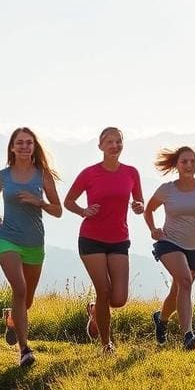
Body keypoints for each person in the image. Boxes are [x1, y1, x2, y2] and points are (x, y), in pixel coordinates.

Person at [64, 127, 144, 352]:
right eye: (109, 142)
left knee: (118, 299)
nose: (114, 146)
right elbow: (68, 201)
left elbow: (139, 202)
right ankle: (106, 344)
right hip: (91, 238)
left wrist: (139, 207)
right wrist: (83, 211)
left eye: (118, 141)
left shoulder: (131, 173)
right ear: (100, 146)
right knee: (104, 292)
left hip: (119, 238)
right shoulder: (90, 173)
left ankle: (95, 311)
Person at [0, 127, 62, 367]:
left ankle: (11, 318)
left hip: (34, 243)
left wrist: (38, 201)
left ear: (34, 147)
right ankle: (25, 350)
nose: (24, 147)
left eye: (29, 143)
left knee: (26, 300)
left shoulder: (43, 175)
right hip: (7, 239)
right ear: (12, 147)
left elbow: (58, 210)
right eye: (19, 143)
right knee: (19, 289)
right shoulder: (1, 176)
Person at [144, 145, 195, 350]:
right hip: (170, 242)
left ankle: (161, 319)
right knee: (186, 282)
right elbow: (149, 210)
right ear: (177, 166)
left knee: (178, 291)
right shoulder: (167, 189)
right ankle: (188, 336)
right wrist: (153, 229)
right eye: (184, 161)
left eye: (193, 161)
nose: (189, 165)